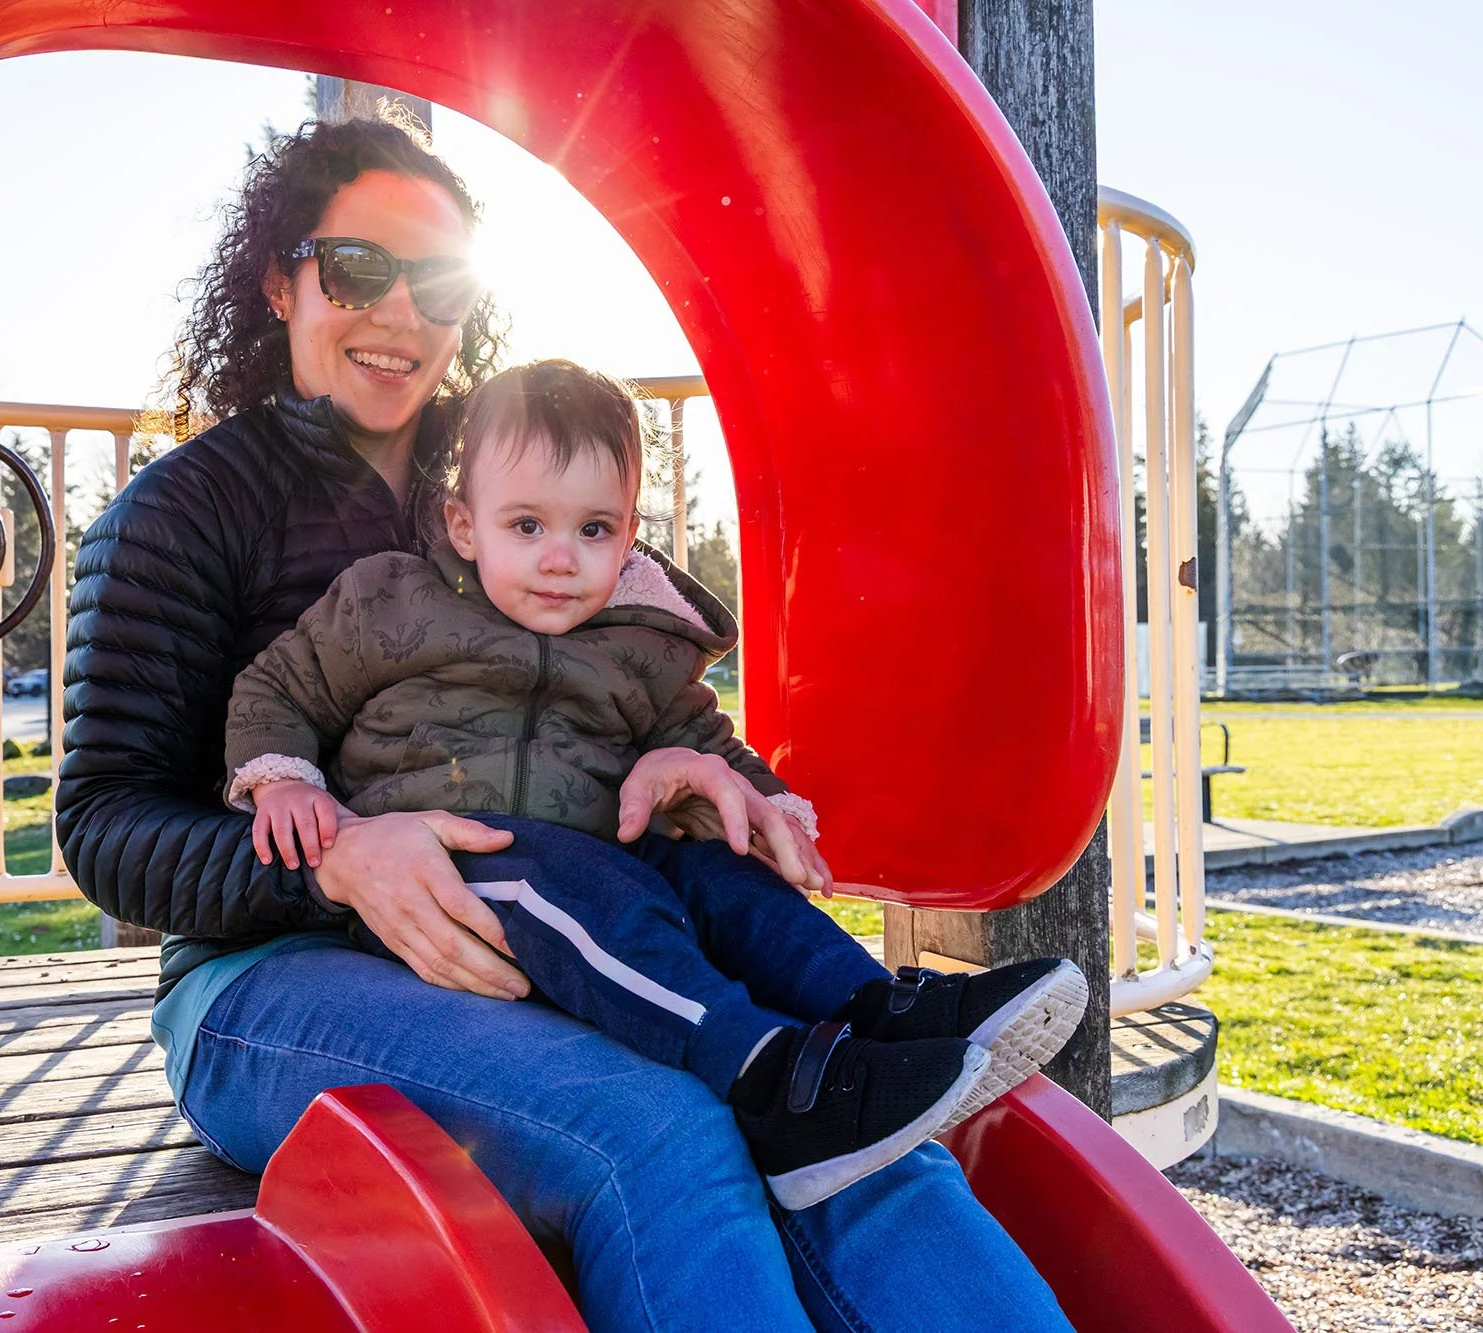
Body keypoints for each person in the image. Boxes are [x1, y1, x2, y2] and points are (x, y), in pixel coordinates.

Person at [59, 111, 1076, 1331]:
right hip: (262, 978)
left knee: (853, 1128)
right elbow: (106, 826)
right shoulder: (181, 516)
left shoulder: (514, 480)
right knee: (657, 1131)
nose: (397, 314)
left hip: (563, 922)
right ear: (281, 279)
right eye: (356, 269)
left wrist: (677, 765)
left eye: (433, 283)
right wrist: (336, 860)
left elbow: (617, 677)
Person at [224, 358, 1088, 1208]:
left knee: (718, 877)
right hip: (453, 879)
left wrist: (759, 805)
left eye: (592, 530)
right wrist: (282, 781)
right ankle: (765, 1077)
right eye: (526, 525)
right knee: (552, 872)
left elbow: (702, 742)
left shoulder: (637, 643)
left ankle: (879, 1007)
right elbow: (280, 686)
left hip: (601, 881)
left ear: (629, 534)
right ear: (463, 524)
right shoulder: (391, 605)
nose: (560, 558)